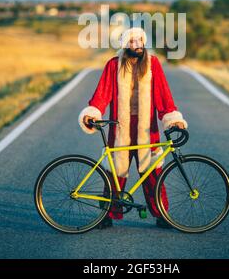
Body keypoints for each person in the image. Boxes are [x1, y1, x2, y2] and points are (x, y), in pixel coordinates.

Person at [78, 27, 188, 229]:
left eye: (139, 40)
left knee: (153, 173)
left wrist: (173, 119)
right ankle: (107, 215)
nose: (136, 45)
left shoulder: (153, 63)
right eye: (131, 41)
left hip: (148, 130)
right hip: (120, 129)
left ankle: (161, 214)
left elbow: (164, 95)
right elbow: (102, 94)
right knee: (114, 173)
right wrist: (92, 113)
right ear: (125, 45)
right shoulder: (113, 64)